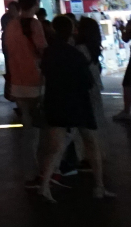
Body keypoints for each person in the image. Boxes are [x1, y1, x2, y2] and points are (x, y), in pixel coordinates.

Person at [34, 14, 112, 201]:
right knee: (91, 142)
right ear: (71, 31)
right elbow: (87, 82)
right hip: (79, 103)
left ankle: (44, 186)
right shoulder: (76, 54)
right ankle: (99, 186)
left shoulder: (49, 52)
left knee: (56, 146)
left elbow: (44, 76)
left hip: (56, 102)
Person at [3, 0, 47, 183]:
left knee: (28, 128)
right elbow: (43, 51)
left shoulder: (11, 26)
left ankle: (30, 172)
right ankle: (44, 170)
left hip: (18, 82)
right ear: (36, 2)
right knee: (41, 129)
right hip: (36, 82)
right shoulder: (35, 25)